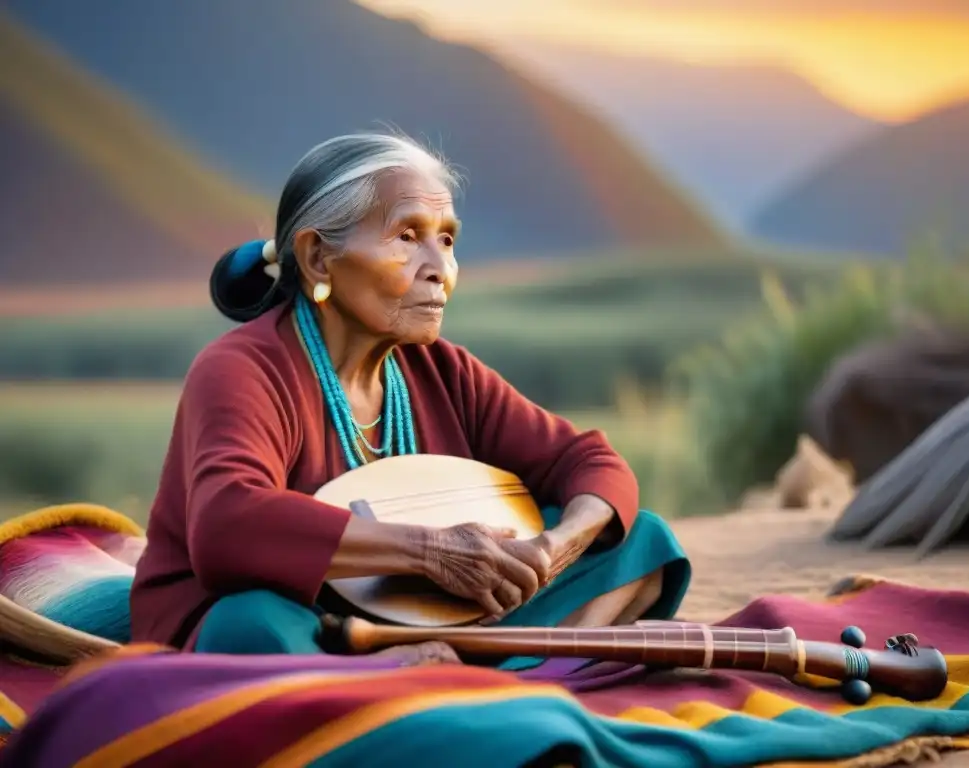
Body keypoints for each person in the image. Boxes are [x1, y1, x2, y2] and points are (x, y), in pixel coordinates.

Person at [129, 133, 691, 666]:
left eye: (446, 239)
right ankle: (462, 674)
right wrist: (430, 552)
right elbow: (226, 524)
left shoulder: (443, 371)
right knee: (250, 622)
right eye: (406, 237)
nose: (440, 270)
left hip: (417, 615)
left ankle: (462, 675)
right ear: (319, 258)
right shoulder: (244, 368)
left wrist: (552, 551)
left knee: (640, 540)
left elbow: (589, 461)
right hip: (293, 622)